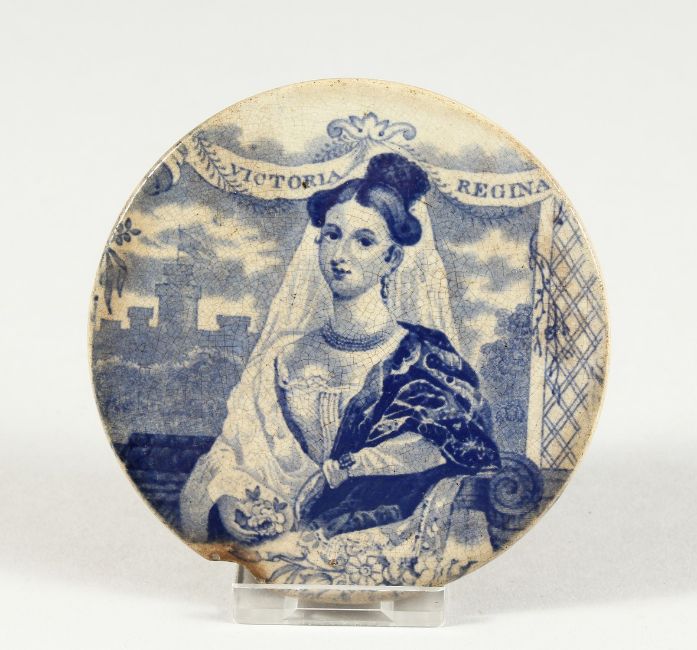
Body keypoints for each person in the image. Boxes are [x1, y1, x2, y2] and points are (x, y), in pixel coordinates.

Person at [180, 153, 500, 570]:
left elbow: (456, 449)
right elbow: (232, 449)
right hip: (280, 542)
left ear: (392, 259)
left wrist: (345, 470)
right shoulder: (283, 358)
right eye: (332, 235)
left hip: (387, 545)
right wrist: (230, 498)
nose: (340, 254)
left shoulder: (425, 357)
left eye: (364, 241)